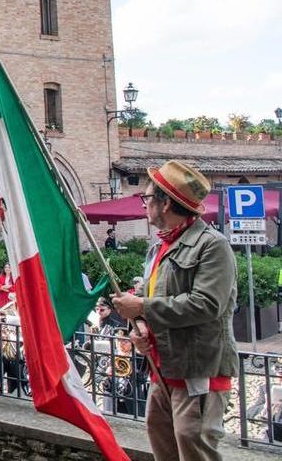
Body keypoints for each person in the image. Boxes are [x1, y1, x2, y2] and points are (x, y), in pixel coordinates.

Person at [111, 160, 237, 461]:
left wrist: (141, 306)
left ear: (165, 203)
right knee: (162, 445)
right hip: (162, 368)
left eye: (148, 198)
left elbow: (207, 304)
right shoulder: (159, 247)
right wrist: (137, 326)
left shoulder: (212, 246)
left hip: (198, 369)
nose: (145, 204)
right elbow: (150, 295)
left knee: (194, 447)